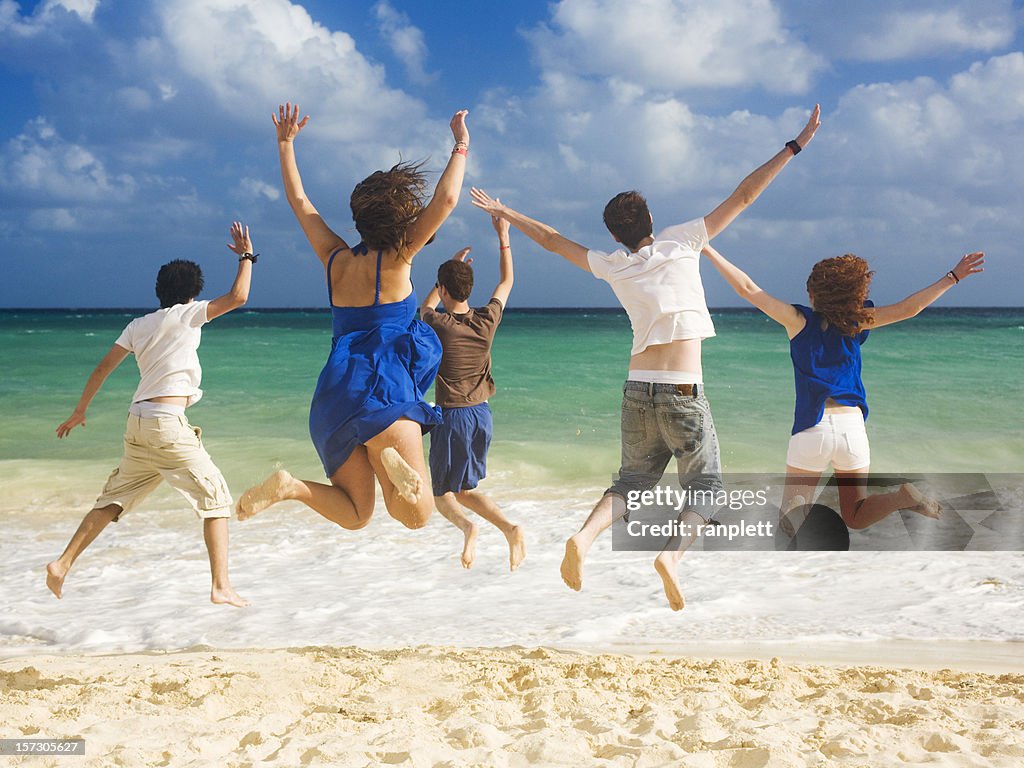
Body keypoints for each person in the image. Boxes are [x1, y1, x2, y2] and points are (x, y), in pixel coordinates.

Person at [471, 104, 821, 610]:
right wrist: (795, 145)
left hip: (637, 389)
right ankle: (671, 558)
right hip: (683, 390)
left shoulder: (612, 265)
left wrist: (507, 213)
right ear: (651, 219)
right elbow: (745, 194)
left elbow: (550, 241)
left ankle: (584, 539)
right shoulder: (683, 240)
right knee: (707, 488)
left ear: (614, 235)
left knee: (633, 481)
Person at [236, 103, 469, 533]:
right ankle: (384, 453)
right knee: (415, 515)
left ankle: (291, 487)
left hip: (337, 393)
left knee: (356, 514)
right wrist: (461, 145)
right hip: (385, 389)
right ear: (401, 220)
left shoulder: (334, 259)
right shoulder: (399, 259)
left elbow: (299, 201)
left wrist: (286, 145)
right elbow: (448, 199)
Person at [701, 244, 984, 533]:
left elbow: (747, 289)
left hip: (813, 429)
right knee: (856, 515)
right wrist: (953, 276)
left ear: (814, 294)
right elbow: (910, 308)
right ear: (854, 294)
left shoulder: (797, 321)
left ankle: (797, 513)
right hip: (851, 430)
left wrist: (708, 250)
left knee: (790, 521)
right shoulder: (857, 322)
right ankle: (900, 498)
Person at [46, 222, 256, 607]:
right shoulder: (190, 314)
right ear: (193, 292)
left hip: (137, 423)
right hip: (165, 424)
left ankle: (62, 564)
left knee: (114, 499)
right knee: (216, 498)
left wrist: (80, 411)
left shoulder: (138, 325)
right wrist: (246, 256)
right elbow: (239, 296)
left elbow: (101, 369)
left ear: (160, 291)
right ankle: (221, 585)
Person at [419, 210, 526, 570]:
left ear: (446, 289)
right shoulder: (486, 320)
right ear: (470, 289)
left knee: (441, 493)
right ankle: (510, 529)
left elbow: (425, 306)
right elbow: (507, 281)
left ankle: (469, 529)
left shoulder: (440, 324)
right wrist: (503, 236)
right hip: (482, 416)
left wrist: (448, 266)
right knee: (466, 489)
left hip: (453, 418)